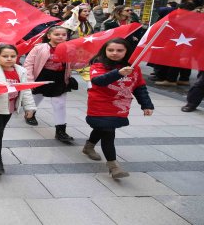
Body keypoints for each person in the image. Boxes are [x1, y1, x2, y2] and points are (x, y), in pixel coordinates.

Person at [84, 38, 154, 178]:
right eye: (111, 50)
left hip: (120, 106)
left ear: (127, 51)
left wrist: (146, 105)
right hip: (100, 104)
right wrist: (118, 73)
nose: (114, 53)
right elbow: (99, 81)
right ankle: (113, 166)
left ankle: (89, 146)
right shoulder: (98, 65)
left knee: (103, 128)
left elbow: (139, 87)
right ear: (105, 51)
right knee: (108, 132)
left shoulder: (134, 67)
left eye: (119, 50)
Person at [0, 45, 36, 175]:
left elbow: (25, 89)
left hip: (9, 107)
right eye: (5, 56)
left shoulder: (21, 71)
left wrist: (29, 107)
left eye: (13, 56)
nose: (9, 59)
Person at [23, 26, 75, 142]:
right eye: (57, 34)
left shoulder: (69, 48)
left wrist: (84, 58)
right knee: (37, 97)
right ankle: (29, 113)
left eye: (63, 34)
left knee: (59, 104)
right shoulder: (40, 48)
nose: (61, 36)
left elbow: (75, 64)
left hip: (60, 78)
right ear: (49, 36)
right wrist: (30, 80)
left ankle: (60, 131)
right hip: (42, 76)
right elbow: (28, 63)